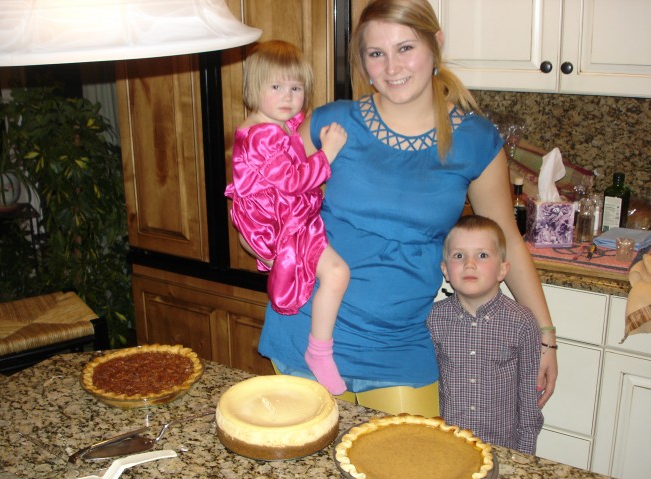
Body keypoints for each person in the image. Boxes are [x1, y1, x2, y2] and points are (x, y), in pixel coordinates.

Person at [257, 0, 558, 416]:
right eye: (376, 53)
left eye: (405, 48)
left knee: (409, 471)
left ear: (436, 45)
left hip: (401, 342)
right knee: (310, 474)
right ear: (362, 61)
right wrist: (260, 235)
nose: (392, 68)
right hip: (307, 335)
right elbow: (262, 194)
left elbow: (506, 238)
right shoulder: (332, 123)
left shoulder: (475, 140)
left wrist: (545, 336)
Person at [225, 40, 350, 395]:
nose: (288, 96)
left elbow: (291, 144)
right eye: (276, 87)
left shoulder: (270, 124)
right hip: (279, 223)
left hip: (274, 215)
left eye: (296, 88)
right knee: (337, 273)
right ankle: (318, 351)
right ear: (253, 89)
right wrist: (328, 153)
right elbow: (294, 181)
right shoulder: (264, 136)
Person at [427, 215, 544, 454]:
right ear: (445, 270)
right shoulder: (433, 319)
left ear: (503, 269)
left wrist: (524, 454)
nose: (470, 264)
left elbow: (529, 396)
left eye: (482, 255)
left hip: (502, 448)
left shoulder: (522, 322)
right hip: (448, 446)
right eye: (459, 256)